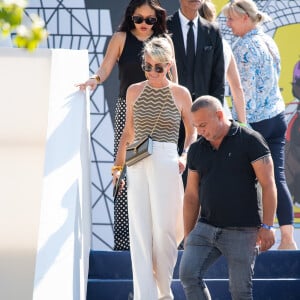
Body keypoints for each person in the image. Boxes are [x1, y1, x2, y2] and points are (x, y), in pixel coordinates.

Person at [77, 0, 177, 251]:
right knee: (124, 173)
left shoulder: (165, 40)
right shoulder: (121, 38)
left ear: (158, 20)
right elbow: (106, 66)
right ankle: (124, 242)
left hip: (161, 112)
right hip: (129, 111)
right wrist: (94, 79)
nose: (144, 25)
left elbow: (175, 80)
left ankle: (158, 239)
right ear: (131, 17)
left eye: (150, 20)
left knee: (159, 173)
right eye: (139, 19)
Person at [113, 36, 196, 299]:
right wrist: (118, 169)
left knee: (165, 231)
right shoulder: (134, 90)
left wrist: (184, 155)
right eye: (147, 66)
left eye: (157, 68)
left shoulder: (181, 93)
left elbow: (193, 132)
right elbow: (128, 132)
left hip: (167, 159)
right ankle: (146, 296)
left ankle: (163, 291)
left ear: (169, 66)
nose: (151, 72)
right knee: (140, 232)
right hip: (137, 162)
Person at [179, 95, 277, 300]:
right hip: (205, 228)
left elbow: (269, 185)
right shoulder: (197, 148)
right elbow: (191, 196)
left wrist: (267, 226)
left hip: (243, 231)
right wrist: (188, 235)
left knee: (240, 292)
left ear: (220, 115)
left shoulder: (250, 140)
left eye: (203, 125)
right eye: (196, 126)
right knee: (188, 275)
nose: (200, 131)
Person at [222, 0, 298, 250]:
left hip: (256, 122)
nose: (228, 24)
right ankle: (287, 238)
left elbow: (243, 92)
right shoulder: (269, 41)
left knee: (248, 180)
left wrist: (242, 126)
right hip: (276, 117)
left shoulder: (243, 47)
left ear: (245, 18)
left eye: (231, 19)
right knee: (276, 178)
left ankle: (253, 237)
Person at [167, 0, 225, 187]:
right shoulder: (164, 27)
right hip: (171, 116)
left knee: (203, 177)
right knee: (173, 178)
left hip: (203, 120)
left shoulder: (212, 31)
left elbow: (218, 79)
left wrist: (215, 116)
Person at [198, 0, 246, 123]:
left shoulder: (188, 44)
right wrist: (243, 124)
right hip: (222, 114)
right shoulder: (223, 44)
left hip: (196, 115)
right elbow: (237, 87)